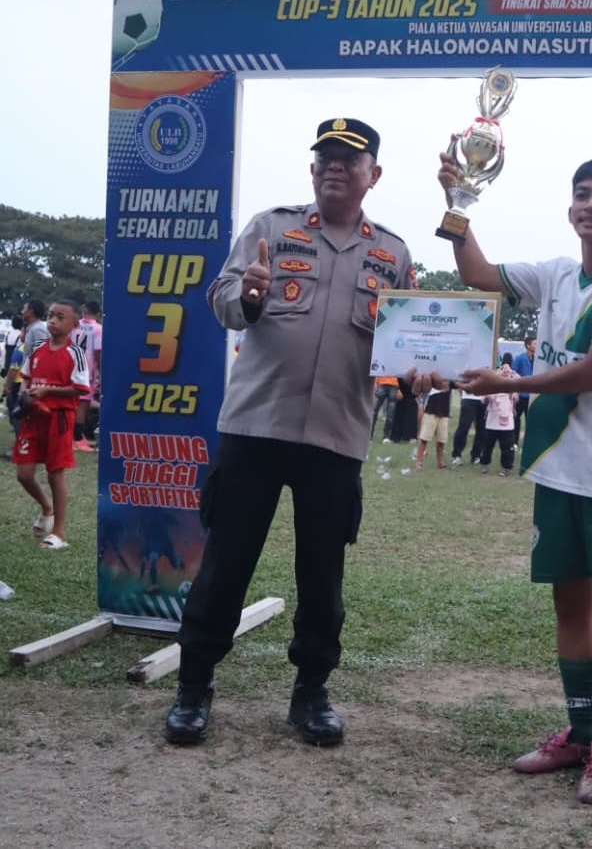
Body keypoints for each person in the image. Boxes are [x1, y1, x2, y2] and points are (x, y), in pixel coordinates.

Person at [165, 117, 427, 747]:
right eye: (325, 157)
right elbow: (222, 296)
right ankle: (193, 686)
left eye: (349, 159)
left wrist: (420, 372)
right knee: (226, 562)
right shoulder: (271, 227)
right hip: (256, 426)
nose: (335, 166)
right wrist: (250, 296)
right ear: (312, 169)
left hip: (337, 435)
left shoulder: (393, 254)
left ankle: (311, 691)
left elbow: (408, 341)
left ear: (373, 174)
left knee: (322, 574)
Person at [440, 152, 592, 804]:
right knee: (569, 604)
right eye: (582, 193)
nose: (590, 203)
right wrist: (457, 205)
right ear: (570, 208)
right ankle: (581, 733)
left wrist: (510, 383)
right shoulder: (556, 274)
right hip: (557, 471)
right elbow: (478, 274)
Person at [12, 299, 90, 550]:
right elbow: (26, 379)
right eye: (50, 315)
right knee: (24, 474)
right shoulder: (37, 348)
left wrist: (47, 391)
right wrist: (25, 398)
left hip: (58, 418)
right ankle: (47, 508)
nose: (53, 321)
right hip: (33, 418)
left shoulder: (75, 352)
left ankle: (58, 532)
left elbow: (80, 389)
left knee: (55, 473)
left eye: (60, 317)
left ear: (74, 324)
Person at [478, 354, 519, 475]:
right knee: (487, 446)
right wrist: (488, 397)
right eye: (502, 371)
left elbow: (518, 381)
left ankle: (507, 468)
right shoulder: (490, 386)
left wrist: (510, 371)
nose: (504, 373)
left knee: (507, 447)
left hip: (507, 424)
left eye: (506, 372)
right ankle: (485, 465)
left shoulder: (512, 385)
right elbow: (483, 399)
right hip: (491, 422)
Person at [71, 300, 102, 452]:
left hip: (70, 367)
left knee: (70, 403)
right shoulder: (98, 328)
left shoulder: (74, 325)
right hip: (86, 370)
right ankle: (77, 439)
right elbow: (97, 351)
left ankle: (72, 437)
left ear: (84, 310)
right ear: (98, 313)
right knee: (82, 405)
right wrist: (100, 370)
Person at [415, 381, 451, 470]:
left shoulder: (449, 379)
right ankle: (419, 461)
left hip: (444, 412)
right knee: (424, 438)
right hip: (431, 411)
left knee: (442, 440)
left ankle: (440, 462)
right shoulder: (432, 379)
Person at [449, 384, 485, 466]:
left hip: (483, 398)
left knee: (482, 429)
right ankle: (456, 455)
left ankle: (476, 456)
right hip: (468, 398)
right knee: (464, 426)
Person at [512, 335, 536, 447]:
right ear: (528, 346)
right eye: (535, 344)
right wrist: (514, 391)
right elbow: (512, 373)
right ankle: (514, 442)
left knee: (531, 420)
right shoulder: (519, 358)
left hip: (532, 395)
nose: (537, 346)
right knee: (516, 419)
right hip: (521, 395)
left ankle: (529, 442)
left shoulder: (537, 359)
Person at [370, 375, 398, 442]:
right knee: (374, 411)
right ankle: (370, 435)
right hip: (383, 382)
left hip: (393, 383)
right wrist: (375, 382)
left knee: (390, 413)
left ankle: (386, 436)